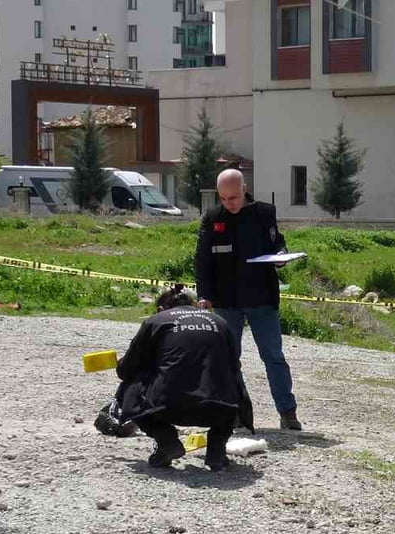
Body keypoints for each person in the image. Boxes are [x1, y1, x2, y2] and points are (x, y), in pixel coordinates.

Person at [194, 169, 302, 431]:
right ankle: (237, 412)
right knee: (229, 360)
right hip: (225, 301)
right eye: (223, 198)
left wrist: (280, 257)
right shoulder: (212, 218)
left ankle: (287, 412)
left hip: (262, 298)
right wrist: (204, 294)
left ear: (244, 188)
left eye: (233, 197)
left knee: (273, 356)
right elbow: (202, 258)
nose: (229, 203)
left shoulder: (264, 213)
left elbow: (278, 243)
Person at [115, 284, 252, 471]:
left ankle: (167, 441)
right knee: (232, 380)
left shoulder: (156, 321)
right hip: (220, 408)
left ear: (161, 309)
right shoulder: (219, 321)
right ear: (195, 304)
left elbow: (126, 370)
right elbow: (234, 364)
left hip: (169, 407)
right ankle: (216, 451)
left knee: (131, 384)